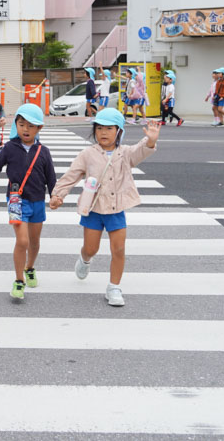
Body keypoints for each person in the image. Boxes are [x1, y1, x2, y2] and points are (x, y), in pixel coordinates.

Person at [50, 108, 160, 307]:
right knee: (91, 248)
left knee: (118, 249)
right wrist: (58, 195)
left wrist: (150, 140)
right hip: (93, 209)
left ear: (118, 131)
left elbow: (140, 152)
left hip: (116, 209)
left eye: (109, 128)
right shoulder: (88, 154)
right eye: (99, 128)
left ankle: (114, 287)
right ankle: (85, 259)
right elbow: (72, 175)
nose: (103, 132)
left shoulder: (125, 153)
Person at [0, 104, 56, 300]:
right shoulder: (10, 147)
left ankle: (30, 267)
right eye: (21, 124)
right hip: (16, 200)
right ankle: (19, 280)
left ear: (39, 128)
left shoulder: (43, 151)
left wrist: (55, 197)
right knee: (22, 240)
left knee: (34, 242)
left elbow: (51, 178)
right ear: (15, 125)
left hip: (37, 201)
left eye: (31, 126)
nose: (25, 129)